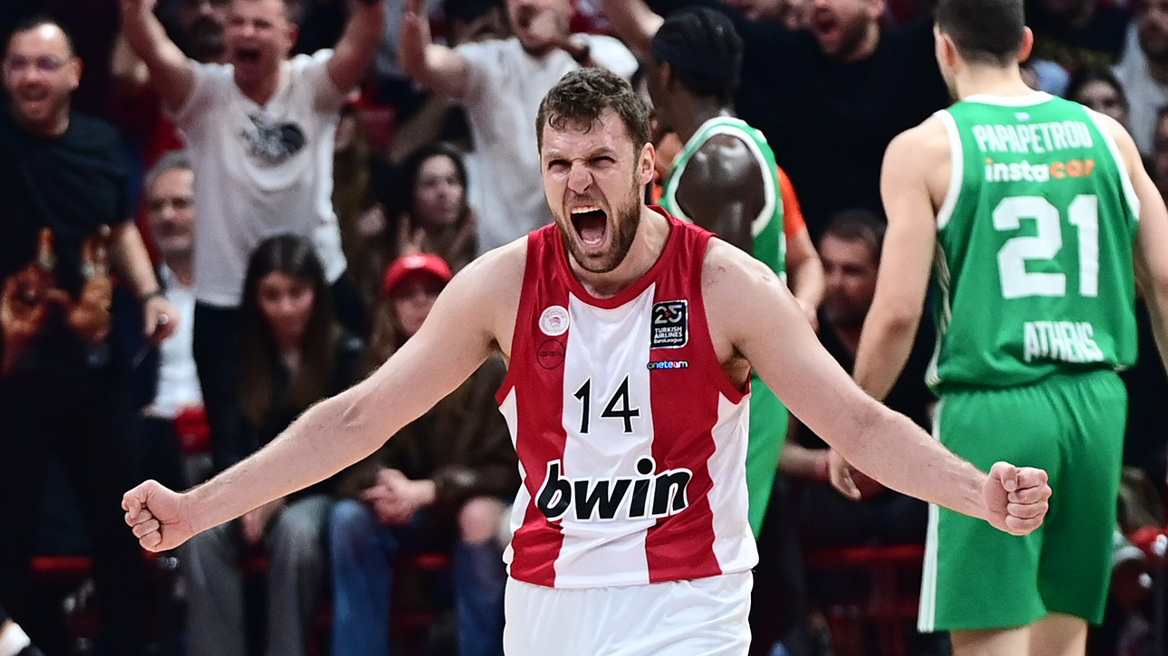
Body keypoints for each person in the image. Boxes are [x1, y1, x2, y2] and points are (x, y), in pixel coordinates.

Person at [124, 68, 1052, 656]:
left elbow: (855, 422)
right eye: (559, 164)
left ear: (647, 166)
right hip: (550, 603)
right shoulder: (501, 285)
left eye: (601, 161)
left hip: (687, 601)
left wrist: (977, 492)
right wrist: (199, 509)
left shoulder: (726, 285)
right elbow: (359, 417)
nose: (578, 183)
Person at [826, 0, 1168, 652]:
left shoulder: (926, 148)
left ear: (945, 48)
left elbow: (897, 312)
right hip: (1097, 403)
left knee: (990, 638)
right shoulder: (1109, 137)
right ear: (1026, 44)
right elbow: (1165, 277)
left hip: (995, 406)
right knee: (1063, 639)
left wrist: (854, 421)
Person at [119, 0, 385, 473]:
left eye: (261, 24)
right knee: (232, 457)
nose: (247, 32)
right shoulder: (203, 93)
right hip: (226, 299)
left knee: (346, 437)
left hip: (319, 288)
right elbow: (151, 47)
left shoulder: (313, 83)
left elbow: (364, 36)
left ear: (288, 37)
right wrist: (136, 12)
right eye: (237, 23)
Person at [0, 17, 179, 656]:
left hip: (95, 374)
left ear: (75, 74)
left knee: (119, 529)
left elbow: (119, 227)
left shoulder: (101, 144)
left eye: (45, 64)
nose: (30, 77)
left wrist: (150, 294)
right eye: (19, 64)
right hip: (13, 380)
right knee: (9, 536)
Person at [643, 7, 823, 536]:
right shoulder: (718, 150)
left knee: (712, 553)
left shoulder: (719, 161)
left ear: (665, 74)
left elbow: (722, 308)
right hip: (731, 389)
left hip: (733, 395)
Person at [603, 0, 952, 237]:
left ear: (876, 4)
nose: (820, 4)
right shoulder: (784, 59)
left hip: (904, 257)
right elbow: (653, 31)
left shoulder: (923, 54)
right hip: (813, 274)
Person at [181, 234, 363, 656]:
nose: (285, 308)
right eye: (272, 295)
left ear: (317, 293)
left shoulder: (347, 353)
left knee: (296, 534)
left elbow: (348, 454)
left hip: (320, 491)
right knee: (200, 533)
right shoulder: (237, 355)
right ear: (254, 298)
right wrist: (248, 495)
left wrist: (279, 495)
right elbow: (229, 443)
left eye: (297, 293)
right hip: (248, 486)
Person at [330, 252, 518, 656]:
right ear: (391, 308)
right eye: (408, 295)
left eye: (432, 292)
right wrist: (385, 482)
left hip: (462, 503)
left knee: (479, 517)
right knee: (348, 519)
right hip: (402, 509)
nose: (420, 303)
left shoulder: (491, 370)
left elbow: (507, 470)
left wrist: (432, 490)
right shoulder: (372, 369)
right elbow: (346, 458)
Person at [399, 0, 637, 252]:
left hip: (584, 243)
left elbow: (629, 107)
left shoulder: (602, 51)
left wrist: (568, 46)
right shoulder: (489, 60)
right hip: (504, 250)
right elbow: (421, 63)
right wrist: (415, 10)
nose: (524, 3)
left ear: (568, 4)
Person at [136, 150, 205, 491]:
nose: (167, 215)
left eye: (181, 204)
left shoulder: (236, 291)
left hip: (217, 439)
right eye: (157, 206)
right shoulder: (132, 297)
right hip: (153, 442)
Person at [388, 141, 479, 274]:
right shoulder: (388, 250)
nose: (443, 192)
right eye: (430, 184)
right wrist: (408, 268)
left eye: (452, 181)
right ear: (411, 193)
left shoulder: (480, 250)